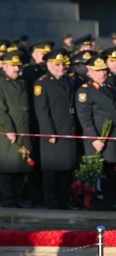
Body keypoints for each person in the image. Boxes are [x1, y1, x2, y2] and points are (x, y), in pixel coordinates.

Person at [75, 55, 116, 211]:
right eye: (98, 71)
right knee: (97, 173)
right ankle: (94, 201)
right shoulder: (86, 90)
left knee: (111, 172)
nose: (103, 74)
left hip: (112, 138)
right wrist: (94, 138)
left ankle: (109, 201)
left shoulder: (111, 89)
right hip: (98, 139)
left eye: (104, 70)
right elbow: (84, 117)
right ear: (90, 72)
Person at [33, 48, 78, 210]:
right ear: (49, 64)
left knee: (67, 170)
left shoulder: (69, 81)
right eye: (57, 64)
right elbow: (42, 110)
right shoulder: (42, 83)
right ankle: (51, 201)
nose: (61, 68)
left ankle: (65, 200)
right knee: (52, 170)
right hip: (53, 133)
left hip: (67, 132)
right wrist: (48, 132)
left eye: (63, 64)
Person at [0, 50, 33, 208]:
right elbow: (1, 109)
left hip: (23, 129)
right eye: (12, 66)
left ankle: (18, 198)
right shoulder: (1, 83)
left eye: (17, 66)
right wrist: (9, 129)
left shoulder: (21, 82)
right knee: (8, 167)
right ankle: (8, 199)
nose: (16, 69)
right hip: (8, 132)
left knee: (21, 166)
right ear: (4, 66)